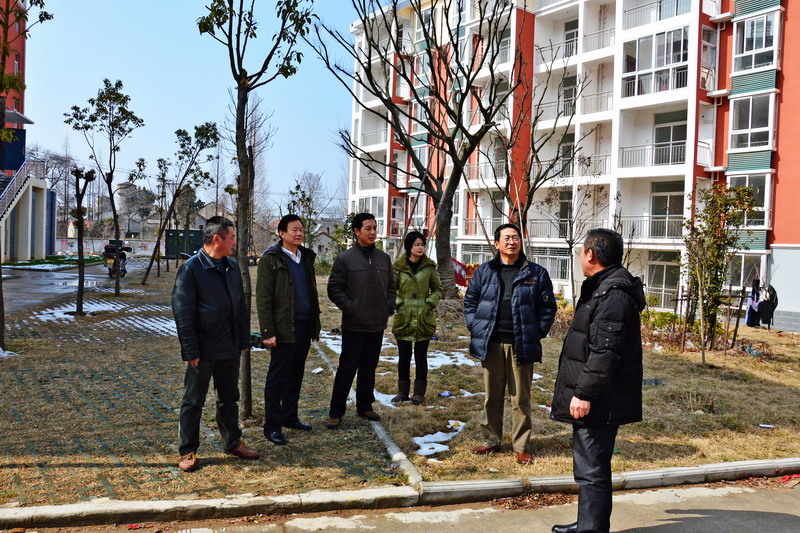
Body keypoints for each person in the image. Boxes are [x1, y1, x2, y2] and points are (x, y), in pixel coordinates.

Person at [550, 228, 646, 533]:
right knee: (590, 467)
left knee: (592, 468)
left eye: (581, 251)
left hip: (601, 398)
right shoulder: (603, 287)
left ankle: (591, 529)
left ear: (590, 254)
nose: (580, 256)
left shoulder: (613, 295)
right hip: (601, 395)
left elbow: (605, 352)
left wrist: (584, 393)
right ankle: (588, 524)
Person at [172, 216, 260, 473]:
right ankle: (187, 450)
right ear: (217, 239)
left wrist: (243, 339)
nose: (235, 242)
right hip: (203, 349)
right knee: (193, 400)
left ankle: (233, 442)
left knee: (229, 398)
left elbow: (240, 306)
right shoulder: (191, 269)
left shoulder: (231, 267)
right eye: (232, 237)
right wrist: (190, 349)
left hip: (229, 347)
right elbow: (183, 312)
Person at [463, 223, 557, 465]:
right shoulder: (485, 271)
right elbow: (470, 302)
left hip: (521, 344)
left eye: (515, 237)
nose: (512, 242)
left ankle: (522, 446)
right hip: (492, 343)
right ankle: (490, 440)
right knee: (491, 396)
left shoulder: (535, 272)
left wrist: (535, 332)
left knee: (520, 399)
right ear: (497, 244)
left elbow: (547, 308)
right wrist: (476, 327)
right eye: (506, 238)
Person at [256, 214, 321, 446]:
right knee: (278, 378)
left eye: (301, 229)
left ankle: (290, 417)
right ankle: (272, 425)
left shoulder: (306, 258)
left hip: (303, 325)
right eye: (294, 229)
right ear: (281, 233)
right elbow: (263, 299)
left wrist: (314, 325)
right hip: (283, 327)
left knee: (296, 374)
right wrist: (268, 331)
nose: (299, 233)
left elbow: (311, 292)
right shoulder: (271, 259)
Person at [326, 213, 396, 429]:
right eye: (368, 228)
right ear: (357, 231)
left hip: (377, 324)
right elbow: (334, 289)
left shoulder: (384, 258)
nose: (373, 232)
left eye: (375, 228)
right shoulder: (345, 259)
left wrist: (388, 306)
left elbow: (391, 287)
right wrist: (352, 307)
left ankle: (365, 406)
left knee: (369, 368)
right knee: (347, 369)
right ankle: (336, 412)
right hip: (354, 325)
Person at [391, 231, 443, 405]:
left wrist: (429, 303)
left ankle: (419, 393)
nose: (420, 248)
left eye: (422, 245)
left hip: (423, 317)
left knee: (421, 357)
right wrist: (399, 303)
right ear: (409, 247)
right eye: (417, 245)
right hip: (404, 316)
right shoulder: (398, 267)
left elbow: (437, 289)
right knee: (404, 356)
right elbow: (390, 288)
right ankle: (402, 392)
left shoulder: (429, 267)